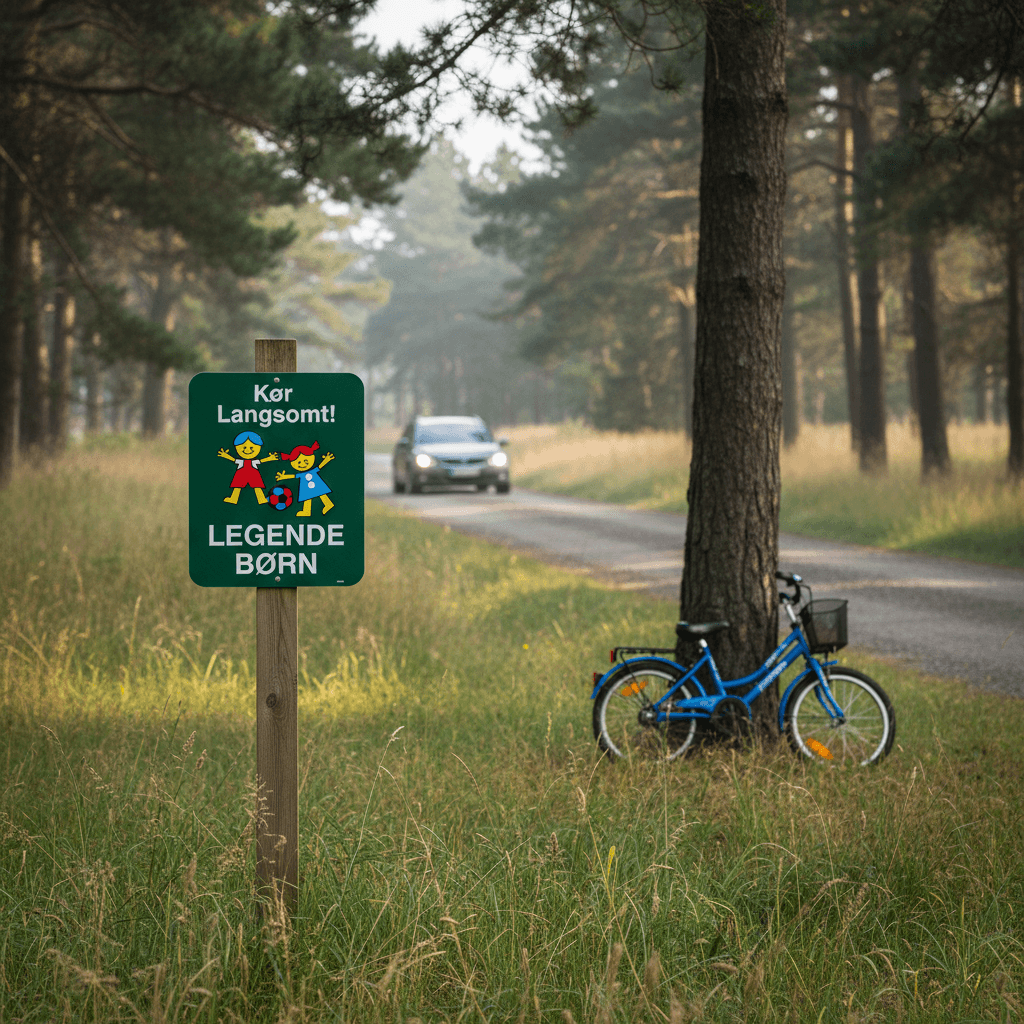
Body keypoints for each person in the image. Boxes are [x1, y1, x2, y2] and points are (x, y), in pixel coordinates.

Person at [218, 430, 278, 505]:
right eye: (244, 447)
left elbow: (261, 461)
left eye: (252, 448)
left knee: (257, 486)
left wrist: (270, 458)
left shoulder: (253, 462)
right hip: (241, 474)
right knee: (237, 486)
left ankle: (261, 499)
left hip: (253, 474)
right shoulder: (241, 461)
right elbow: (234, 460)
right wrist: (226, 456)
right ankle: (234, 498)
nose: (247, 450)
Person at [276, 441, 335, 516]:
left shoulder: (313, 471)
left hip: (316, 482)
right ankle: (306, 511)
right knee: (307, 497)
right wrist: (284, 477)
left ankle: (328, 504)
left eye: (305, 461)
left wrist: (327, 459)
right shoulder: (301, 474)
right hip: (305, 486)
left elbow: (319, 467)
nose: (303, 464)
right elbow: (294, 476)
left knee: (321, 493)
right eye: (299, 462)